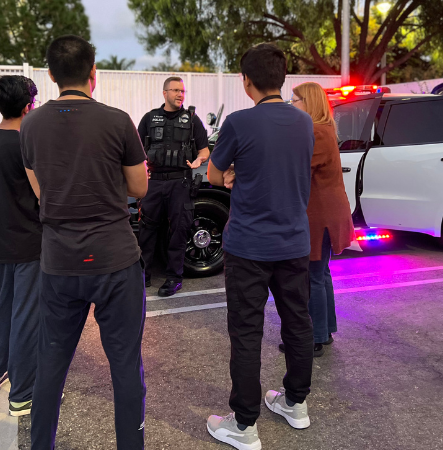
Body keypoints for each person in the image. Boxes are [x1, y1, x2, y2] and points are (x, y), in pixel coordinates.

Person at [22, 35, 148, 449]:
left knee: (51, 364)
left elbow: (40, 190)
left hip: (59, 260)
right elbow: (139, 187)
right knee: (125, 366)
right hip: (114, 257)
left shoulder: (32, 124)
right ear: (94, 73)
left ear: (51, 75)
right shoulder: (118, 120)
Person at [205, 43, 316, 450]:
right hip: (293, 242)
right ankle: (295, 403)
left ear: (245, 80)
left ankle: (245, 425)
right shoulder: (304, 122)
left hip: (249, 246)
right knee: (298, 323)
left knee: (247, 333)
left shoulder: (238, 122)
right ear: (282, 79)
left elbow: (214, 175)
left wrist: (233, 175)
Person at [0, 76, 42, 416]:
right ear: (28, 104)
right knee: (27, 315)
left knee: (3, 305)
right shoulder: (26, 142)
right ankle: (23, 393)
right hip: (29, 239)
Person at [279, 82, 355, 357]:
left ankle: (314, 337)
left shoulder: (317, 132)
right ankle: (324, 331)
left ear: (307, 102)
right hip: (323, 212)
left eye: (294, 100)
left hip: (319, 215)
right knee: (320, 274)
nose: (291, 104)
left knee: (312, 276)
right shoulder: (322, 130)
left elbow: (296, 168)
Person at [136, 76, 210, 296]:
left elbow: (204, 150)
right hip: (155, 182)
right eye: (176, 90)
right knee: (147, 230)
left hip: (181, 182)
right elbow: (137, 149)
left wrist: (199, 160)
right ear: (165, 93)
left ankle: (173, 277)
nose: (180, 95)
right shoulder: (149, 118)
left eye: (183, 91)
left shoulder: (192, 120)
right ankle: (143, 275)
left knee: (179, 230)